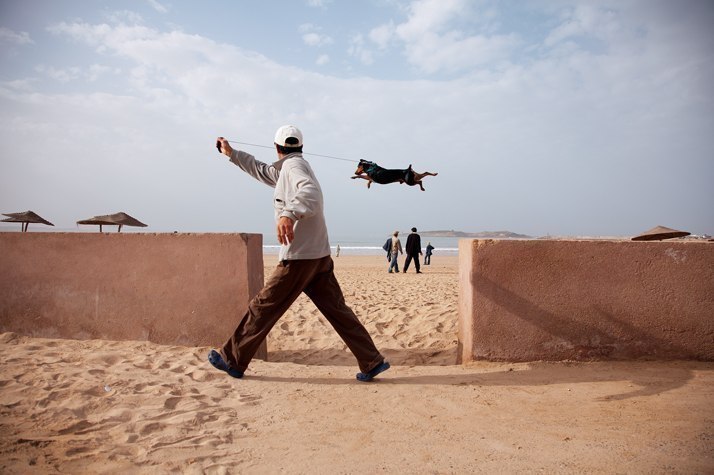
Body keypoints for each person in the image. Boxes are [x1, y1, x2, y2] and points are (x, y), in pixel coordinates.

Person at [209, 126, 389, 382]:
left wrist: (287, 214)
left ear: (277, 147)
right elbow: (261, 170)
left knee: (263, 307)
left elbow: (311, 195)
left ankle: (232, 360)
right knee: (338, 311)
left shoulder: (294, 168)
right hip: (319, 255)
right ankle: (372, 361)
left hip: (300, 257)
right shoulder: (290, 168)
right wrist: (232, 153)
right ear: (300, 146)